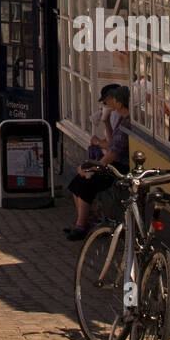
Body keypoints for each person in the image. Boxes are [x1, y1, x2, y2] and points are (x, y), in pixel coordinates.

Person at [64, 86, 131, 241]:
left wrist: (93, 168)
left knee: (87, 183)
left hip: (120, 168)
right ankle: (86, 220)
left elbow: (113, 154)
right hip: (113, 164)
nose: (106, 105)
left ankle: (82, 225)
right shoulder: (121, 118)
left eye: (108, 101)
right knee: (77, 181)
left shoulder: (127, 123)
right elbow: (112, 144)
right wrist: (106, 121)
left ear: (118, 102)